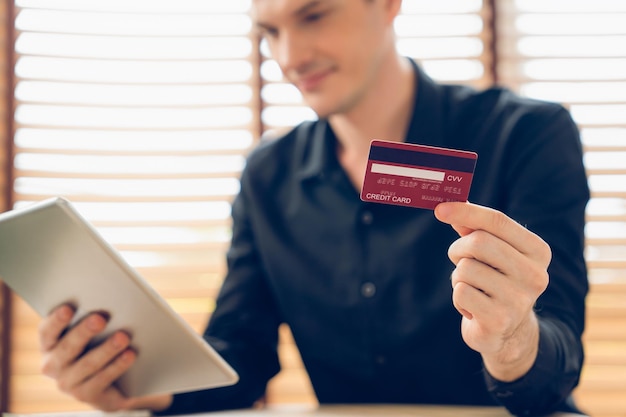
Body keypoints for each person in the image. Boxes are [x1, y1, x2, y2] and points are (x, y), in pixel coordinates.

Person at [37, 0, 589, 415]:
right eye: (270, 31)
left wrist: (515, 338)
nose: (289, 57)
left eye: (314, 15)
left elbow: (557, 358)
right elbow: (241, 355)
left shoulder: (525, 136)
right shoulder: (267, 175)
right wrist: (145, 382)